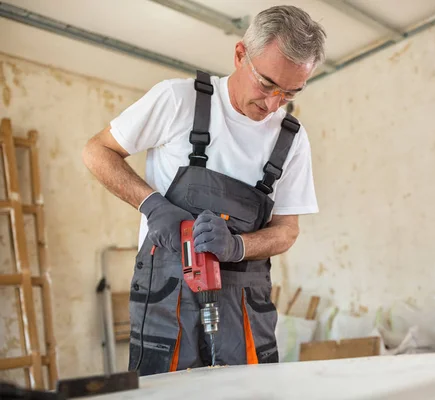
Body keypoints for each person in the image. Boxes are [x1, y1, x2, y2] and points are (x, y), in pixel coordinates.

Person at [82, 5, 326, 375]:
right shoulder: (178, 100)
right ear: (240, 54)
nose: (274, 104)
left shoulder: (292, 138)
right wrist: (152, 205)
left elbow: (287, 230)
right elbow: (97, 151)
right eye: (266, 84)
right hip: (167, 296)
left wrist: (239, 246)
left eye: (290, 93)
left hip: (245, 304)